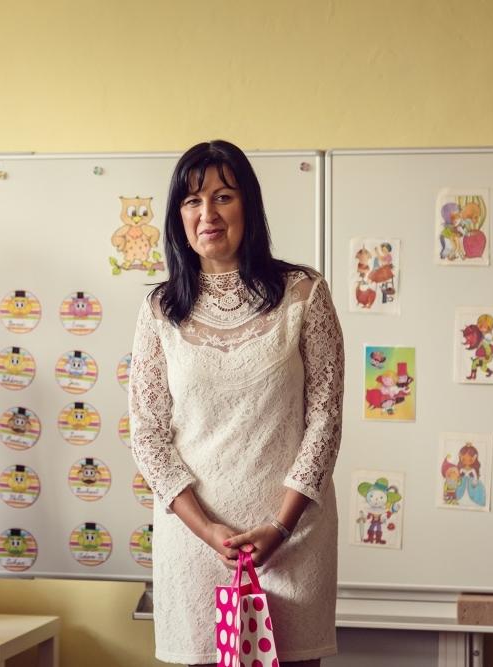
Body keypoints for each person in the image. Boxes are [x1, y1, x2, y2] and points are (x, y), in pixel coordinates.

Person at [130, 140, 344, 666]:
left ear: (248, 204)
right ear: (178, 217)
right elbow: (148, 433)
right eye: (192, 201)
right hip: (194, 541)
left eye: (223, 196)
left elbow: (325, 418)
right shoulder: (159, 309)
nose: (207, 213)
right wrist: (206, 530)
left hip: (292, 539)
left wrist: (281, 526)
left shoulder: (303, 293)